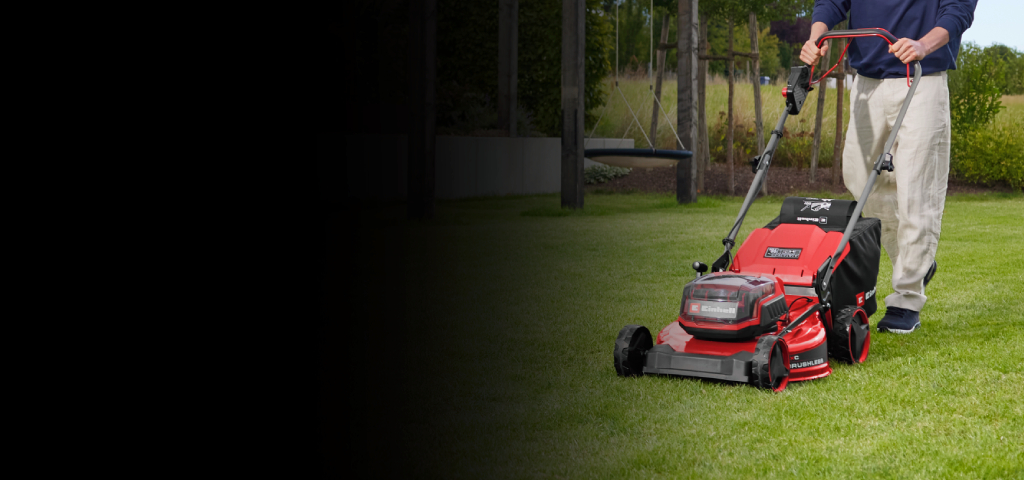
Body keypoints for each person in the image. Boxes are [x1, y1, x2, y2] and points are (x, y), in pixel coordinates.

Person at [800, 0, 977, 334]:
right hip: (866, 82)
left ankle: (906, 299)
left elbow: (958, 11)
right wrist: (816, 37)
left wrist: (923, 44)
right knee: (860, 179)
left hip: (922, 77)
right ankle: (917, 262)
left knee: (916, 189)